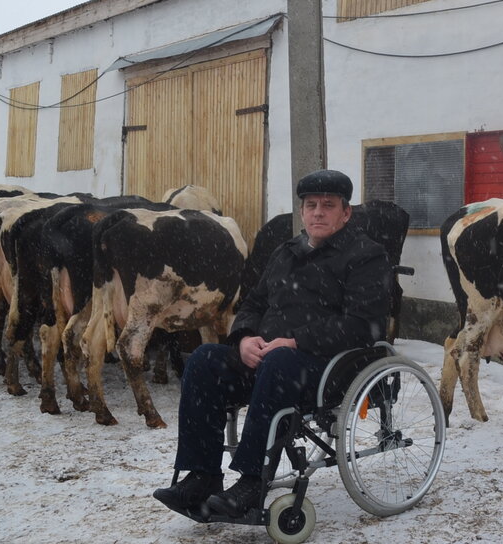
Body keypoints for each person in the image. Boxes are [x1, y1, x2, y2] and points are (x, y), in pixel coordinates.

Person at [153, 168, 393, 521]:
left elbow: (364, 325)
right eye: (311, 205)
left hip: (328, 368)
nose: (318, 212)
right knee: (204, 359)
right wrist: (245, 339)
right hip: (269, 361)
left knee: (280, 361)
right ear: (301, 211)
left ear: (346, 212)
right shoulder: (286, 252)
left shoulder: (366, 255)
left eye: (328, 205)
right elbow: (252, 304)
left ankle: (252, 480)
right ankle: (202, 475)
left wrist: (295, 342)